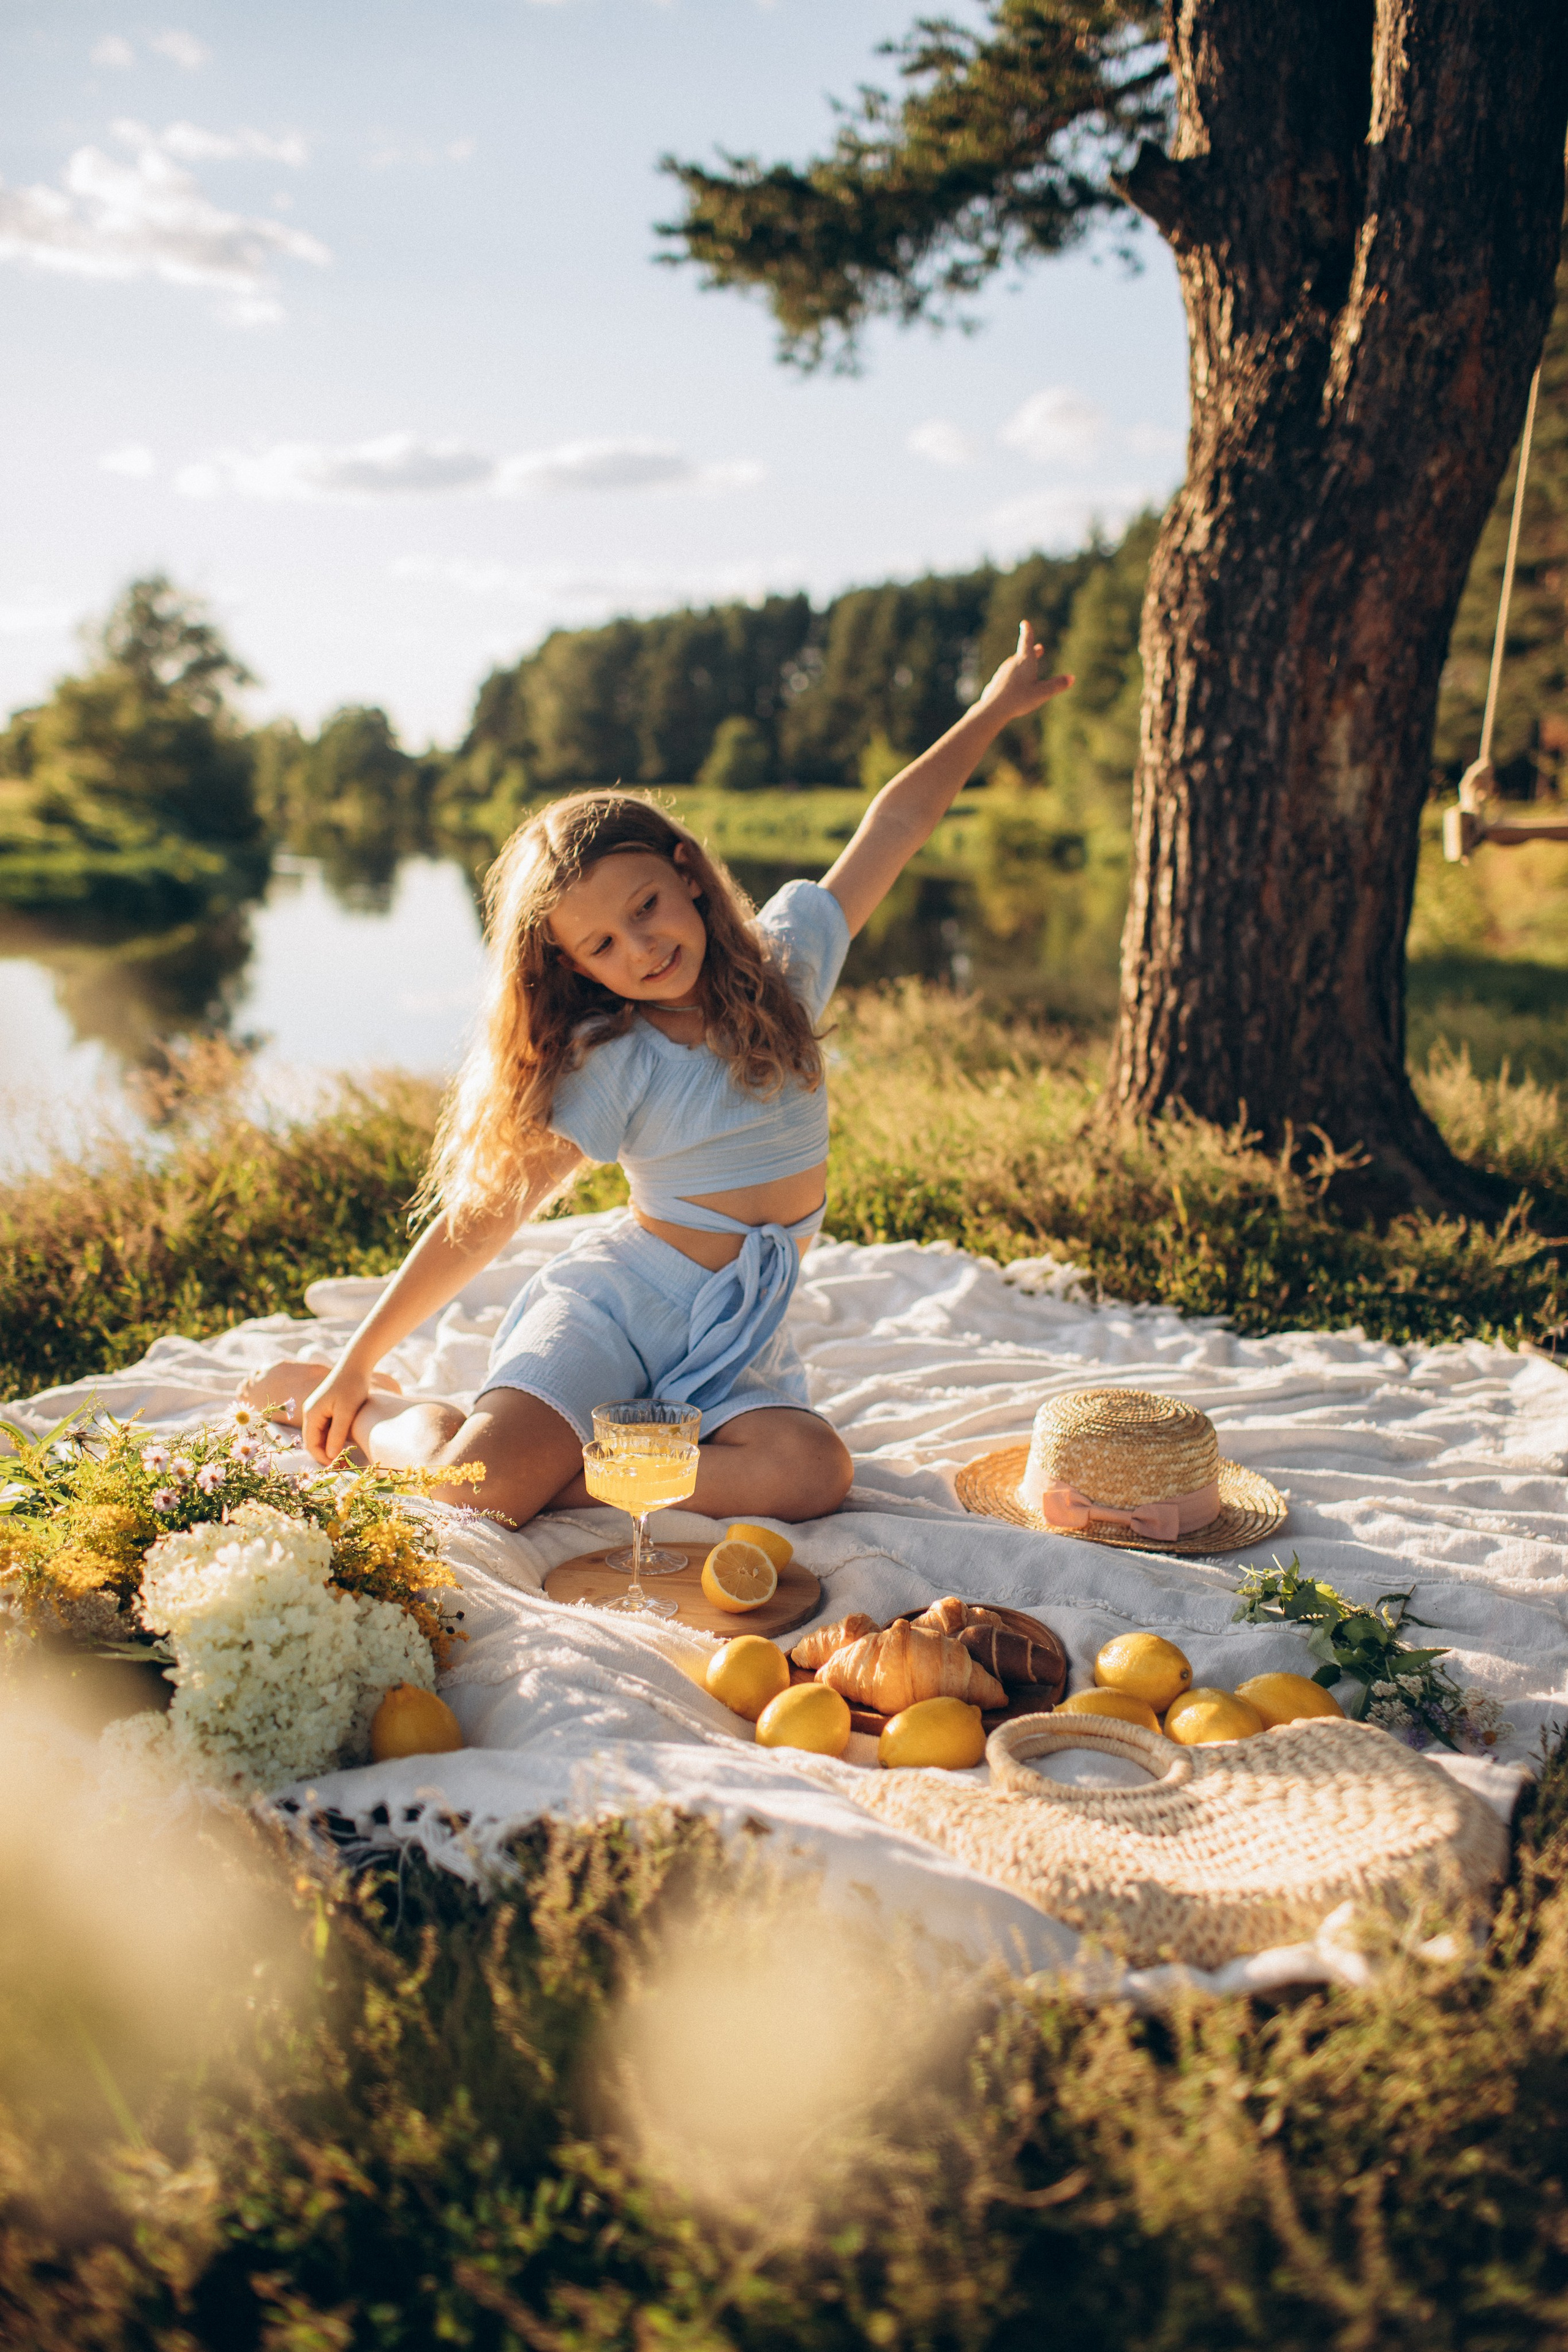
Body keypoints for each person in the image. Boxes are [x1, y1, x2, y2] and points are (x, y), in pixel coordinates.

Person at [239, 625, 1070, 1527]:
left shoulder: (789, 962)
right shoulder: (612, 1062)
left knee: (812, 1474)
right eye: (601, 943)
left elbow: (896, 825)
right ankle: (382, 1414)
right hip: (614, 1316)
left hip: (728, 1339)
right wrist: (356, 1362)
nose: (641, 947)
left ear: (687, 878)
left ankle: (558, 1459)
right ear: (576, 969)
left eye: (647, 908)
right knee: (469, 1495)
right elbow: (484, 1218)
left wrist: (993, 711)